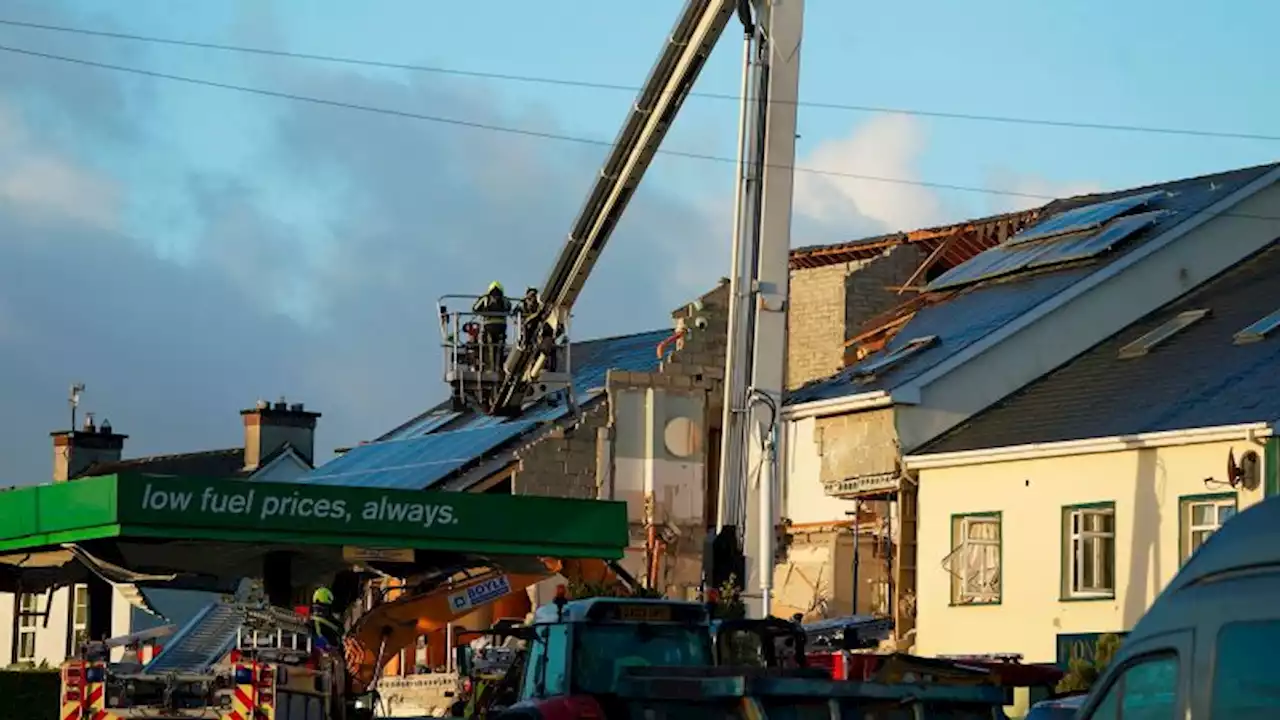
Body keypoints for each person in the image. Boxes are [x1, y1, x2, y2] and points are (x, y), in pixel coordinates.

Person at [473, 282, 512, 369]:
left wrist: (483, 312)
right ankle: (499, 366)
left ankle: (491, 367)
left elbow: (475, 309)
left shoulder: (485, 299)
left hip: (489, 326)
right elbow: (509, 308)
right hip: (501, 326)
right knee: (500, 347)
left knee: (490, 347)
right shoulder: (505, 300)